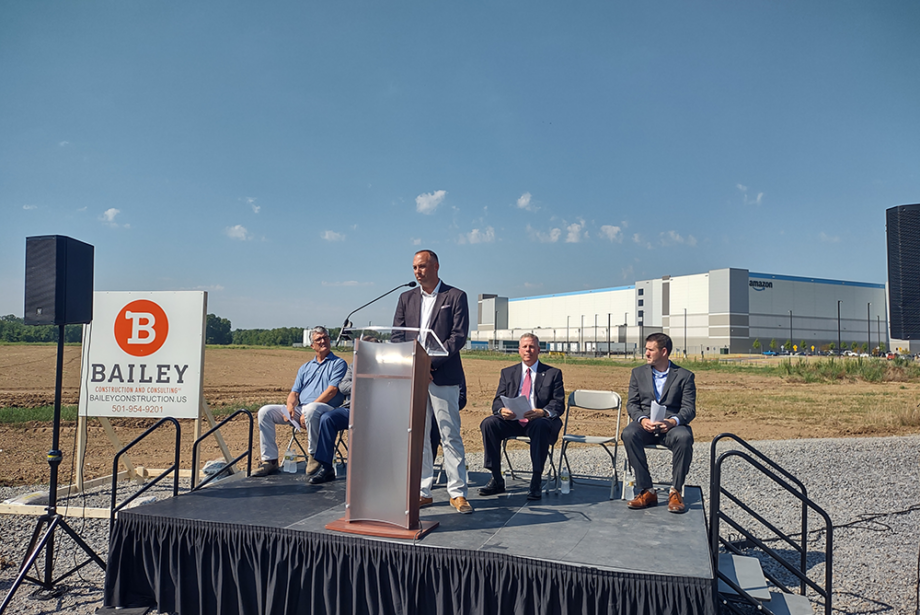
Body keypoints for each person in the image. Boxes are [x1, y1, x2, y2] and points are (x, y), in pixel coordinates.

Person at [392, 249, 472, 514]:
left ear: (436, 266)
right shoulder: (406, 298)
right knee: (420, 436)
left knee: (450, 435)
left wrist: (430, 363)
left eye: (423, 266)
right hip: (414, 376)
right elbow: (397, 336)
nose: (417, 272)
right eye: (414, 267)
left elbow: (457, 337)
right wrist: (415, 364)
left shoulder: (455, 296)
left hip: (444, 377)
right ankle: (423, 491)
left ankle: (457, 492)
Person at [252, 326, 348, 477]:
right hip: (303, 409)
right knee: (265, 411)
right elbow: (294, 392)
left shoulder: (338, 364)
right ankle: (269, 461)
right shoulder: (305, 367)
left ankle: (315, 455)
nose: (323, 341)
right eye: (319, 339)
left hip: (326, 410)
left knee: (312, 409)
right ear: (312, 346)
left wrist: (306, 409)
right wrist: (290, 407)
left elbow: (332, 391)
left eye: (326, 338)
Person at [479, 333, 565, 500]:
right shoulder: (507, 372)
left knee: (540, 425)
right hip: (513, 420)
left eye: (532, 347)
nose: (528, 350)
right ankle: (496, 478)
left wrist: (543, 412)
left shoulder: (553, 373)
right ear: (519, 350)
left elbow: (558, 403)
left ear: (539, 350)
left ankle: (536, 480)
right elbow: (497, 400)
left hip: (537, 420)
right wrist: (501, 410)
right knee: (488, 423)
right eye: (525, 347)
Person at [622, 332, 696, 513]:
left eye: (650, 350)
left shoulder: (685, 376)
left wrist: (673, 421)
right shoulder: (638, 373)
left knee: (685, 437)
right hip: (645, 424)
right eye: (646, 349)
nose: (646, 353)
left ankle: (676, 491)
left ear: (663, 351)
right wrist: (642, 419)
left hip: (671, 427)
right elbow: (632, 404)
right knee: (628, 433)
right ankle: (647, 490)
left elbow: (689, 409)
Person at [308, 363, 353, 484]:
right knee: (328, 418)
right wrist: (365, 382)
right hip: (352, 409)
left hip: (376, 410)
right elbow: (343, 386)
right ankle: (327, 468)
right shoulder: (354, 366)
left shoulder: (385, 365)